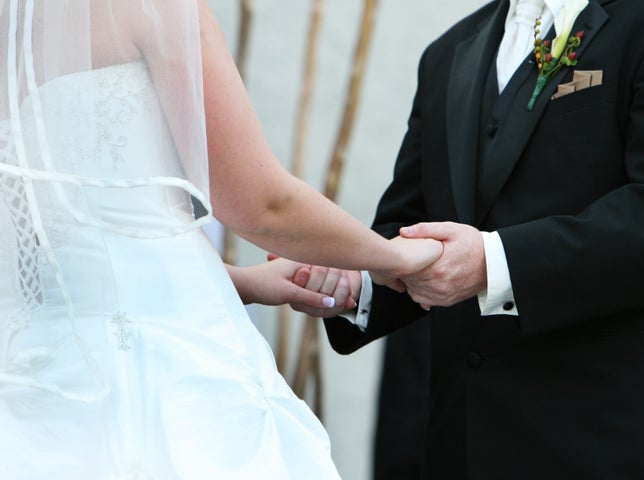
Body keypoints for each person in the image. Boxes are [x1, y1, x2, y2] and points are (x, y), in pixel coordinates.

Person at [0, 0, 441, 478]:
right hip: (173, 367)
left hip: (44, 371)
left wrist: (238, 280)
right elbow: (260, 205)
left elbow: (49, 254)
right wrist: (391, 256)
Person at [287, 0, 644, 478]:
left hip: (615, 442)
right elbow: (411, 223)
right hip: (466, 447)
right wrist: (355, 279)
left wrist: (492, 265)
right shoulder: (448, 53)